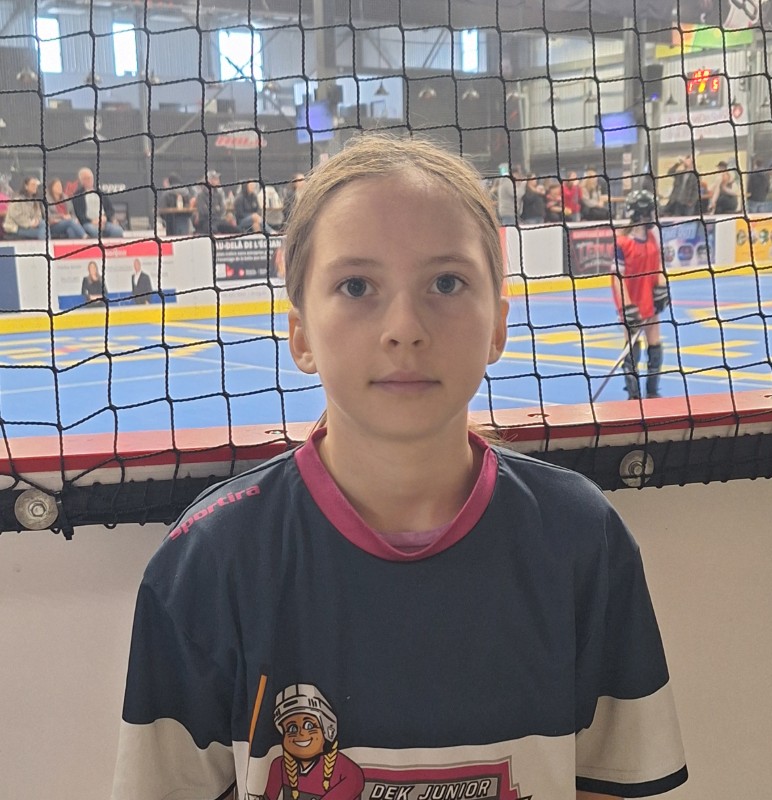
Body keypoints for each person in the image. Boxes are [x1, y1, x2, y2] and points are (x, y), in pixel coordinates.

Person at [112, 135, 687, 800]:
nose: (405, 327)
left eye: (446, 283)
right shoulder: (209, 563)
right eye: (356, 286)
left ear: (498, 326)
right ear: (300, 334)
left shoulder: (582, 540)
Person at [611, 189, 669, 400]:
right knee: (633, 348)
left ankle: (652, 391)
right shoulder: (623, 242)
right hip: (632, 301)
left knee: (654, 343)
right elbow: (617, 277)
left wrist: (662, 288)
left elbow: (659, 264)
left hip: (649, 300)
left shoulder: (652, 237)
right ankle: (633, 394)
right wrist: (627, 306)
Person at [72, 167, 124, 238]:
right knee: (95, 231)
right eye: (87, 178)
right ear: (81, 181)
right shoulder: (78, 196)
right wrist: (92, 221)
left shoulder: (100, 193)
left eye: (91, 178)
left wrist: (105, 218)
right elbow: (79, 214)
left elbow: (110, 210)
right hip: (88, 223)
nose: (90, 180)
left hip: (104, 221)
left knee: (118, 231)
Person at [193, 170, 239, 235]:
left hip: (218, 220)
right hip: (206, 222)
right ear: (209, 181)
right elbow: (204, 212)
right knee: (213, 230)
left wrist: (215, 210)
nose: (218, 181)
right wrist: (216, 209)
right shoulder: (201, 195)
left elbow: (222, 209)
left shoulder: (219, 194)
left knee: (235, 229)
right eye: (215, 179)